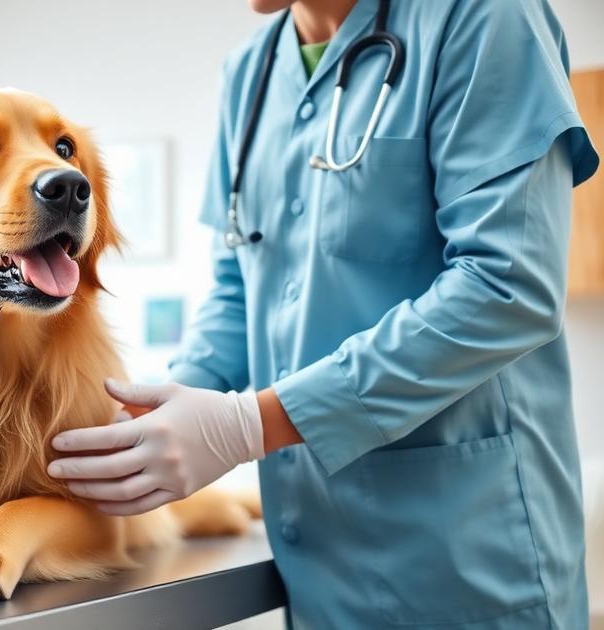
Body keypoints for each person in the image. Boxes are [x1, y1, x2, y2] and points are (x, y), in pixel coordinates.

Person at [47, 0, 600, 626]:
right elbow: (239, 282)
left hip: (468, 565)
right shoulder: (251, 73)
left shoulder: (483, 18)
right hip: (317, 577)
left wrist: (248, 425)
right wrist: (162, 406)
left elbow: (507, 287)